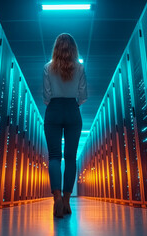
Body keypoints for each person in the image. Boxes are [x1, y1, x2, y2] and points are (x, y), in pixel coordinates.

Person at [43, 33, 87, 218]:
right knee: (70, 157)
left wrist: (55, 104)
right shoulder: (80, 68)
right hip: (72, 110)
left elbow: (46, 97)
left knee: (54, 156)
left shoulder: (47, 67)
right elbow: (83, 96)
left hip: (53, 110)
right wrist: (72, 106)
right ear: (74, 49)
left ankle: (57, 198)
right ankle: (68, 202)